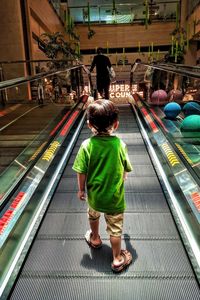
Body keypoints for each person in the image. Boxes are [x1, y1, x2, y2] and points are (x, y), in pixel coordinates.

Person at [72, 100, 133, 273]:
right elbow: (125, 169)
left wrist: (81, 189)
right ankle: (117, 258)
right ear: (116, 124)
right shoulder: (120, 145)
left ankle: (96, 238)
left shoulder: (86, 146)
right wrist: (122, 178)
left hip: (94, 196)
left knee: (93, 215)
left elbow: (81, 171)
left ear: (89, 124)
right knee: (115, 229)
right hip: (114, 198)